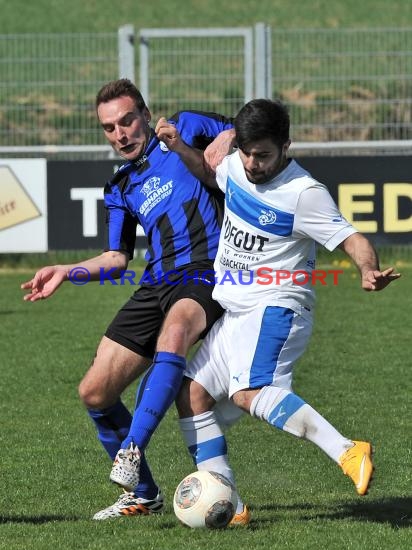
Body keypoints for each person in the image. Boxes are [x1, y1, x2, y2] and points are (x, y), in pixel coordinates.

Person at [155, 98, 400, 518]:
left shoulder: (304, 194)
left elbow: (351, 238)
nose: (253, 163)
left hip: (277, 305)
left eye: (264, 155)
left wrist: (367, 269)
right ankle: (228, 503)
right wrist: (180, 148)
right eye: (248, 152)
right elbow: (211, 172)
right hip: (236, 311)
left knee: (251, 393)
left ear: (286, 146)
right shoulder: (236, 163)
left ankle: (347, 450)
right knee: (190, 394)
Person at [21, 78, 246, 521]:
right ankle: (143, 494)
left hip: (206, 270)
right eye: (109, 128)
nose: (120, 134)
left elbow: (253, 123)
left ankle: (133, 447)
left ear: (145, 114)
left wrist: (228, 135)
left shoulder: (184, 126)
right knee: (94, 392)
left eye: (126, 121)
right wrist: (69, 272)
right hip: (155, 282)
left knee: (176, 332)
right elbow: (116, 258)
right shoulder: (120, 186)